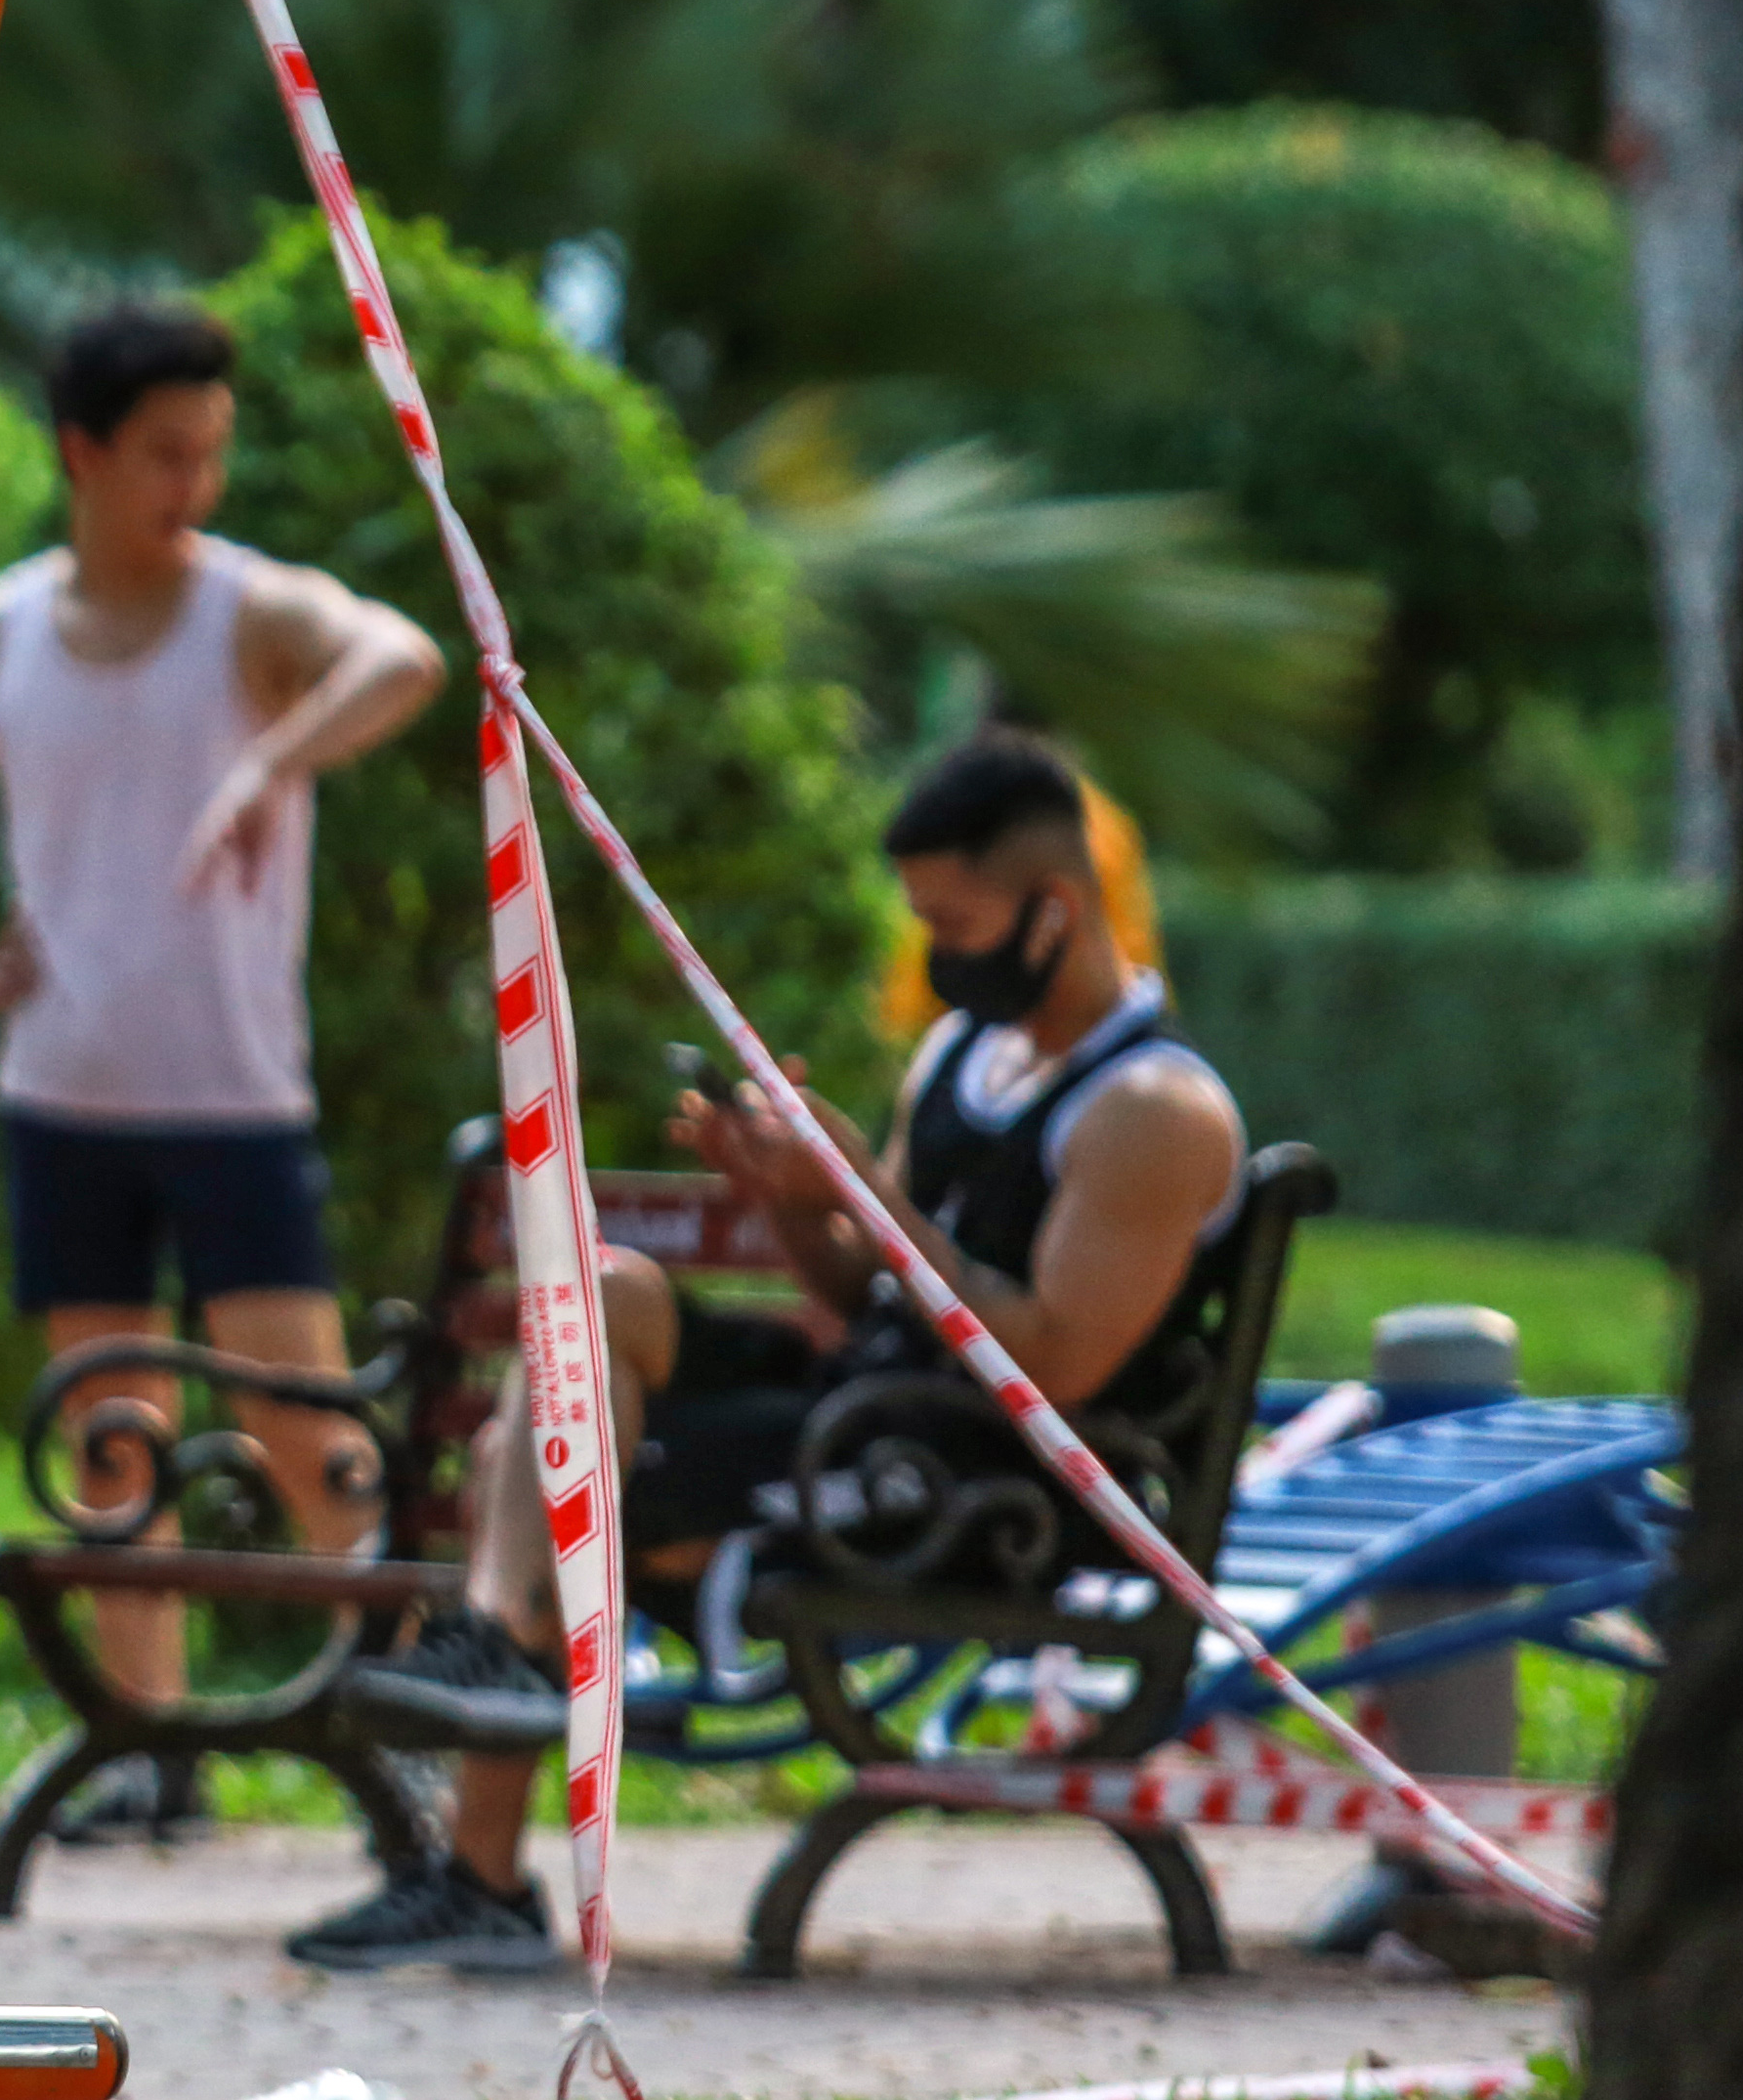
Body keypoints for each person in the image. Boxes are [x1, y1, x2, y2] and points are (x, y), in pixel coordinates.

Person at [283, 727, 1251, 1974]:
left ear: (1052, 913)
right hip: (867, 1412)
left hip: (968, 1487)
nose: (933, 958)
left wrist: (861, 1185)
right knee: (592, 1303)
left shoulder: (1151, 1113)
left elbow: (1051, 1371)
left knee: (538, 1470)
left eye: (950, 924)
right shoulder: (971, 1056)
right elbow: (867, 1299)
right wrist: (794, 1198)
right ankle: (499, 1648)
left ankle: (480, 1831)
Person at [0, 301, 450, 1840]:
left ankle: (403, 1720)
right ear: (82, 453)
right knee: (107, 1428)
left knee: (303, 1426)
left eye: (212, 450)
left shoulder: (248, 617)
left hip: (234, 1098)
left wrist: (266, 755)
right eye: (165, 454)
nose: (195, 482)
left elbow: (403, 654)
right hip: (63, 1096)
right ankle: (146, 1745)